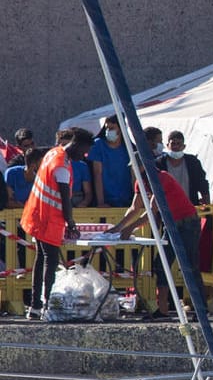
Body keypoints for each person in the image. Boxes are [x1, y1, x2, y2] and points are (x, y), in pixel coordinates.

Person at [107, 163, 196, 317]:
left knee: (189, 265)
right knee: (161, 264)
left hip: (187, 222)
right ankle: (162, 309)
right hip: (171, 223)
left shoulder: (161, 178)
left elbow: (151, 210)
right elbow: (135, 208)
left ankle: (201, 309)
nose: (134, 171)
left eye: (136, 167)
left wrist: (129, 228)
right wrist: (118, 227)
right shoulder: (141, 182)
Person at [21, 127, 93, 316]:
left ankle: (36, 306)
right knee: (50, 262)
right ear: (76, 144)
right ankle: (47, 305)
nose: (84, 155)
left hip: (37, 214)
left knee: (41, 259)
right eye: (84, 150)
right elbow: (65, 198)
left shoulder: (54, 153)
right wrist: (70, 222)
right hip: (48, 219)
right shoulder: (62, 165)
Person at [87, 114, 133, 209]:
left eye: (112, 128)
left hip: (127, 199)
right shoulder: (98, 145)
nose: (108, 131)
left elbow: (134, 175)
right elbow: (97, 174)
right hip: (106, 201)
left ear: (121, 128)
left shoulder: (129, 147)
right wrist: (101, 202)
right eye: (107, 128)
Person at [155, 129, 211, 207]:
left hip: (190, 207)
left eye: (179, 144)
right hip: (168, 209)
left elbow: (202, 184)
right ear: (168, 145)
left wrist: (207, 205)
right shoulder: (160, 163)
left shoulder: (193, 162)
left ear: (184, 146)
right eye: (173, 143)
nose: (176, 146)